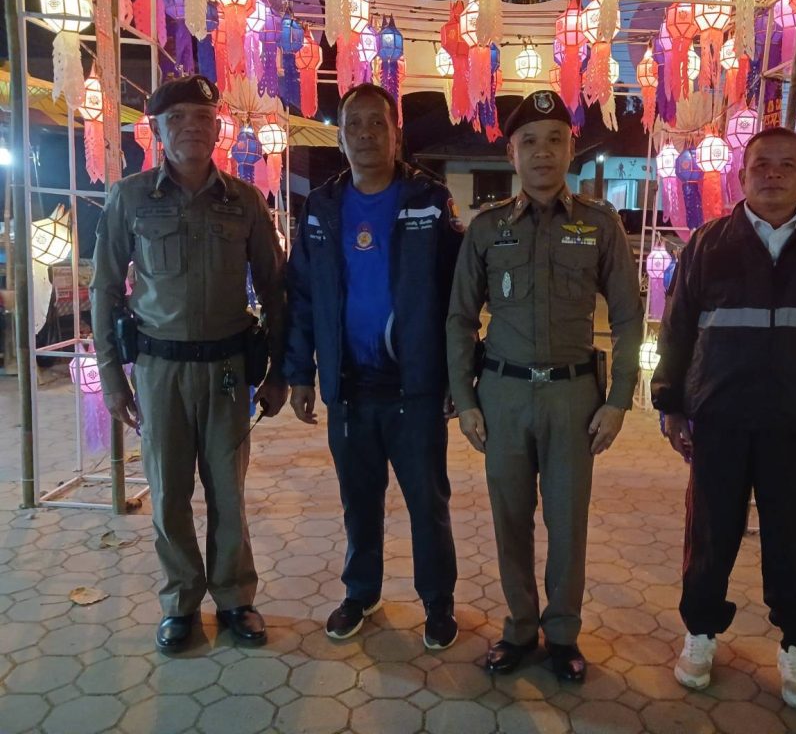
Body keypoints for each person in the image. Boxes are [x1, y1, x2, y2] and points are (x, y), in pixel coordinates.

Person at [652, 127, 796, 710]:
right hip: (719, 418)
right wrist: (670, 402)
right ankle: (701, 634)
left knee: (793, 542)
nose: (773, 174)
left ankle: (795, 645)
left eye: (787, 165)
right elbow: (677, 329)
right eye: (761, 165)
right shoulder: (709, 244)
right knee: (710, 534)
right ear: (741, 175)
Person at [447, 90, 644, 682]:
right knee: (510, 519)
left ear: (571, 148)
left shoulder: (599, 224)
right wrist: (465, 400)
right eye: (528, 142)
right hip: (503, 396)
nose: (542, 152)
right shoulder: (487, 229)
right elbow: (460, 318)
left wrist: (619, 400)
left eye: (555, 139)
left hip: (572, 399)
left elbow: (629, 316)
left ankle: (562, 634)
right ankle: (519, 627)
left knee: (567, 522)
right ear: (511, 154)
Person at [90, 75, 287, 653]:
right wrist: (111, 378)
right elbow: (105, 290)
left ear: (218, 128)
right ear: (156, 130)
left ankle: (235, 598)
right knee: (169, 493)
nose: (190, 129)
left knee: (228, 492)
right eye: (176, 119)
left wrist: (279, 371)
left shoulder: (245, 201)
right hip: (159, 371)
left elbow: (275, 291)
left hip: (227, 369)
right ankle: (179, 603)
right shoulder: (129, 198)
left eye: (202, 118)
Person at [284, 83, 461, 650]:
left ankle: (437, 602)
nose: (365, 134)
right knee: (359, 501)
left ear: (395, 133)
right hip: (348, 387)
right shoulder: (322, 207)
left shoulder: (429, 200)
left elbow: (459, 297)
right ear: (340, 137)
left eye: (376, 123)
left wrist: (459, 377)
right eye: (353, 124)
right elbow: (302, 295)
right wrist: (299, 373)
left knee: (427, 503)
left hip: (415, 388)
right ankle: (361, 593)